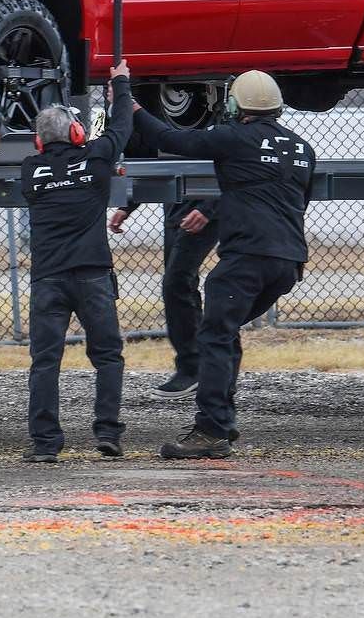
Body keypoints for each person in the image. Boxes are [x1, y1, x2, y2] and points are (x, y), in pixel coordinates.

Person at [130, 71, 315, 459]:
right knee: (224, 332)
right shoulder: (302, 148)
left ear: (236, 105)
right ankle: (221, 423)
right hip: (289, 261)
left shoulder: (233, 137)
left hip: (245, 258)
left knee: (213, 336)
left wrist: (131, 108)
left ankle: (211, 428)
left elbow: (171, 139)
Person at [18, 61, 135, 462]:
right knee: (107, 356)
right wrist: (119, 84)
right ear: (77, 132)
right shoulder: (97, 159)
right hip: (93, 275)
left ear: (38, 143)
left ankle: (45, 445)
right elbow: (122, 128)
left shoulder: (31, 170)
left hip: (48, 278)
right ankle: (108, 433)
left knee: (45, 361)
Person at [109, 196, 220, 400]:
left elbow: (230, 167)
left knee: (176, 284)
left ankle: (194, 368)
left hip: (205, 210)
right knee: (182, 286)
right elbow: (149, 166)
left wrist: (208, 208)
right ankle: (204, 369)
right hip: (177, 210)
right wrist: (127, 206)